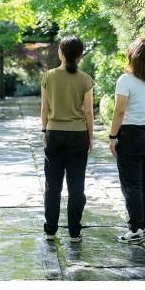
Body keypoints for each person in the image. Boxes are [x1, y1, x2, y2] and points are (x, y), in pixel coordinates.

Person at [40, 35, 94, 243]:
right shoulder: (85, 79)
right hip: (78, 135)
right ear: (80, 55)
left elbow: (45, 108)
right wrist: (91, 137)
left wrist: (44, 130)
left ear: (61, 53)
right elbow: (88, 113)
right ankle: (74, 232)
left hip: (54, 134)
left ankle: (50, 230)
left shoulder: (48, 77)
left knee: (52, 185)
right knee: (76, 185)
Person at [108, 37, 145, 243]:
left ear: (133, 56)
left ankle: (135, 230)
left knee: (132, 184)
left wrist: (113, 137)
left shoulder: (125, 80)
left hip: (131, 136)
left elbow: (120, 111)